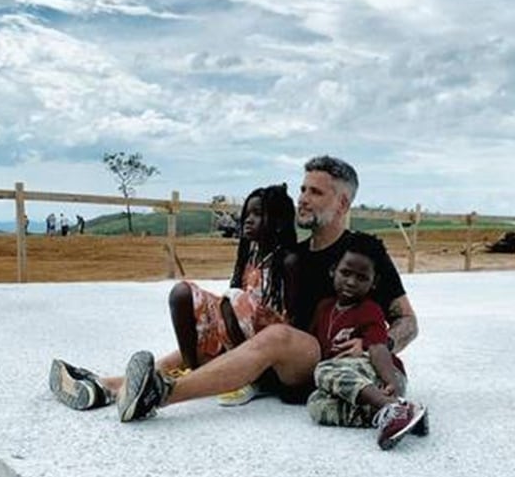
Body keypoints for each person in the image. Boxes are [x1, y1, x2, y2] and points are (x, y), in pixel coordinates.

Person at [48, 155, 419, 422]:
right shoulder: (292, 254)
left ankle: (161, 395)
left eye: (316, 192)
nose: (303, 198)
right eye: (303, 188)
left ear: (342, 202)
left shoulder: (362, 255)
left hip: (320, 363)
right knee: (218, 328)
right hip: (272, 358)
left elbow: (407, 321)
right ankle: (108, 386)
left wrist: (377, 347)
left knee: (276, 336)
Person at [165, 184, 298, 404]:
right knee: (182, 293)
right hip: (242, 325)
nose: (248, 219)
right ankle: (193, 370)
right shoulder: (250, 256)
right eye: (247, 214)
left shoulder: (287, 260)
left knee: (234, 298)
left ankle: (248, 378)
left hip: (268, 339)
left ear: (279, 221)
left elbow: (293, 317)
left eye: (258, 214)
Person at [306, 231, 428, 449]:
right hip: (358, 383)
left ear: (374, 282)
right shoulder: (323, 308)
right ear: (333, 270)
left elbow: (378, 347)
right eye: (345, 273)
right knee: (316, 404)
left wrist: (390, 381)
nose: (351, 282)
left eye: (361, 277)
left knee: (323, 370)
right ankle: (405, 417)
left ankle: (391, 406)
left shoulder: (369, 310)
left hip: (384, 374)